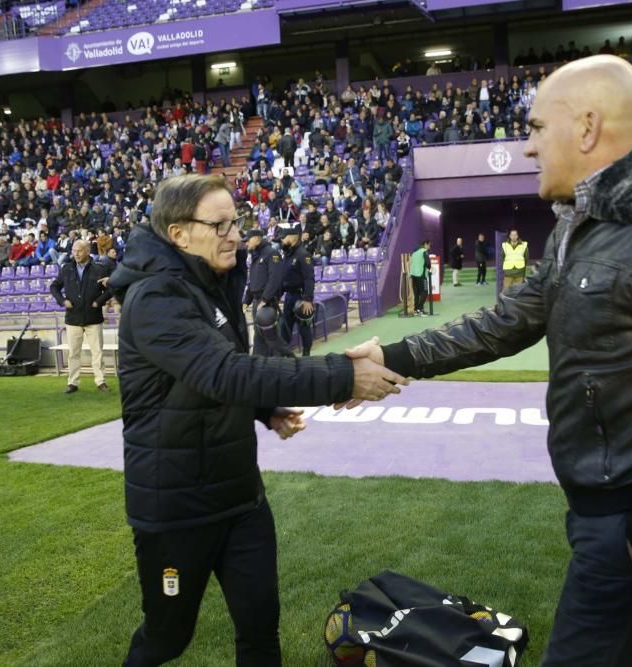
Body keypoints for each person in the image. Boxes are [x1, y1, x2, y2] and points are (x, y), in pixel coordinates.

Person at [345, 55, 632, 666]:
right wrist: (391, 352)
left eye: (534, 128)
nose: (527, 148)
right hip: (610, 501)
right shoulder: (589, 224)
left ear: (586, 127)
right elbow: (506, 322)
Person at [105, 174, 407, 667]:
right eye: (219, 224)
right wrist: (342, 376)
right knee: (167, 639)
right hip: (176, 507)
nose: (235, 234)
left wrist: (263, 410)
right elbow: (224, 372)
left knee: (261, 629)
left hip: (240, 496)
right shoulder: (155, 299)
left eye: (237, 222)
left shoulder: (215, 281)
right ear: (179, 234)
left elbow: (211, 376)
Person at [49, 240, 114, 394]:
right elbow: (54, 286)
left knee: (97, 352)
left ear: (87, 251)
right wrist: (62, 301)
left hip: (93, 317)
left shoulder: (99, 269)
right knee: (73, 353)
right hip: (73, 318)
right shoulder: (67, 269)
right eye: (74, 250)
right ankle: (72, 383)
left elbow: (112, 288)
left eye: (79, 250)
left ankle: (100, 381)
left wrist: (99, 302)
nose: (76, 253)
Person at [243, 227, 288, 356]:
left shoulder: (271, 254)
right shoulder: (255, 255)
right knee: (259, 335)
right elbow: (253, 280)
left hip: (266, 303)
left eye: (248, 240)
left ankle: (284, 361)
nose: (246, 243)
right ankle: (258, 362)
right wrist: (247, 300)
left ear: (257, 239)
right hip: (257, 301)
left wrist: (265, 299)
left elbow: (275, 279)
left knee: (271, 337)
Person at [278, 223, 316, 357]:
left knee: (304, 328)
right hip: (289, 297)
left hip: (301, 297)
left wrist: (307, 299)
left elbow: (309, 278)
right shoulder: (287, 255)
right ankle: (284, 357)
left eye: (283, 238)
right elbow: (284, 278)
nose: (281, 240)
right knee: (284, 328)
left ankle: (306, 355)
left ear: (293, 238)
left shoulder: (303, 255)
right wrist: (278, 296)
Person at [409, 239, 431, 317]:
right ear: (425, 244)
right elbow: (428, 263)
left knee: (417, 293)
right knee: (425, 292)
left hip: (413, 275)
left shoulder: (414, 253)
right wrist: (429, 267)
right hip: (421, 275)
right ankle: (420, 309)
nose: (429, 247)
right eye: (429, 245)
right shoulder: (424, 251)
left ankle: (416, 310)